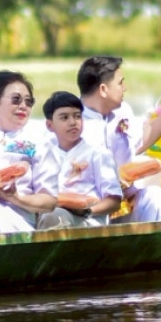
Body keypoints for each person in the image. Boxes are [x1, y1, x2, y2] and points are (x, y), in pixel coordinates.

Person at [76, 53, 161, 223]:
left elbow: (140, 140)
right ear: (103, 89)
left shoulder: (123, 111)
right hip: (90, 209)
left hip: (127, 203)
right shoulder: (71, 121)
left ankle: (156, 248)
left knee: (157, 198)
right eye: (120, 83)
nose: (124, 88)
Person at [0, 70, 58, 235]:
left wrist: (14, 198)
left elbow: (49, 201)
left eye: (29, 101)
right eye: (16, 100)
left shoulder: (39, 143)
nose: (23, 106)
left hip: (20, 220)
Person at [39, 91, 122, 228]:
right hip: (50, 215)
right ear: (50, 125)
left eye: (77, 116)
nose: (73, 122)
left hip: (88, 221)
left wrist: (87, 211)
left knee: (55, 217)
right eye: (64, 118)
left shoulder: (98, 154)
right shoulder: (43, 155)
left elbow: (114, 201)